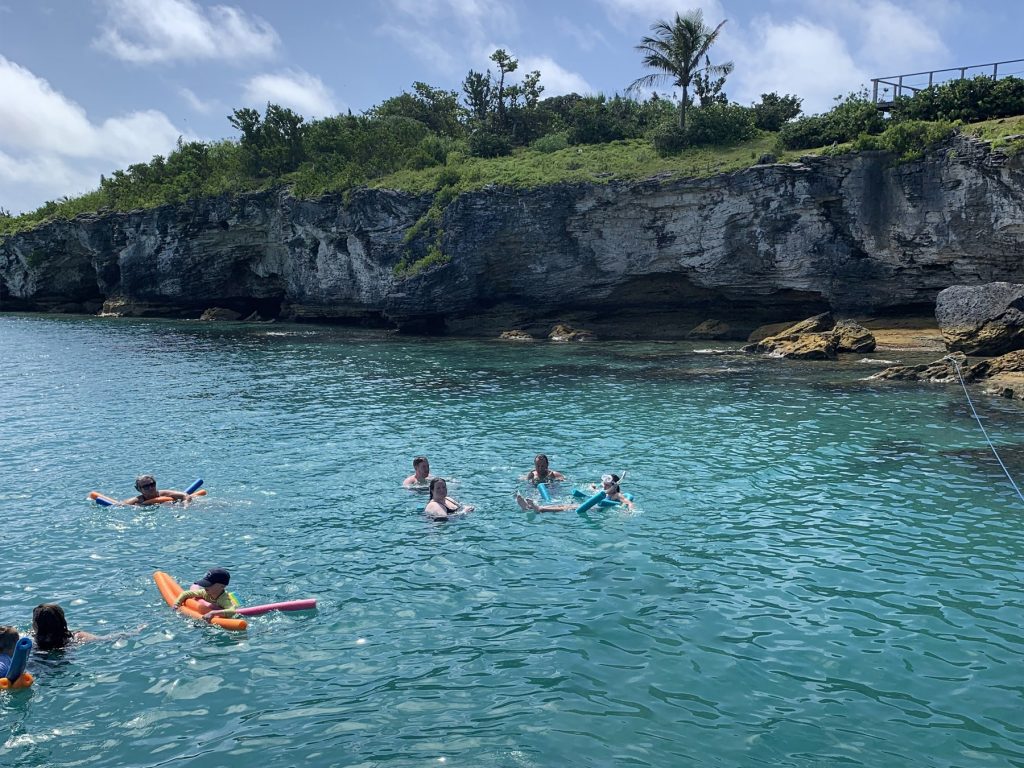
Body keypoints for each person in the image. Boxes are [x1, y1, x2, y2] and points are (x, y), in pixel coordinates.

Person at [515, 473, 634, 512]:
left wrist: (628, 510)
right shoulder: (603, 491)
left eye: (607, 481)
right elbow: (595, 493)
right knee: (564, 504)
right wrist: (592, 488)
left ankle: (539, 508)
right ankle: (529, 507)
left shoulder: (616, 495)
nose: (604, 482)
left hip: (594, 508)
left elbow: (628, 502)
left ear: (613, 484)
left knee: (565, 507)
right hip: (591, 504)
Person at [173, 567, 237, 622]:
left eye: (209, 584)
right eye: (205, 584)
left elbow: (232, 611)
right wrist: (177, 604)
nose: (205, 587)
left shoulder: (223, 599)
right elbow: (186, 593)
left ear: (222, 586)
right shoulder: (205, 592)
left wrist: (213, 613)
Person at [31, 604, 102, 650]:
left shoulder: (30, 640)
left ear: (37, 625)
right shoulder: (76, 637)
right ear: (61, 620)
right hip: (64, 658)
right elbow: (103, 639)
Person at [123, 474, 193, 506]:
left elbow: (185, 495)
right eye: (146, 487)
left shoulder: (164, 494)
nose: (150, 488)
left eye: (152, 484)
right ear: (138, 489)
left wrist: (185, 505)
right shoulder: (138, 501)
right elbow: (120, 505)